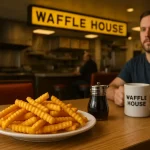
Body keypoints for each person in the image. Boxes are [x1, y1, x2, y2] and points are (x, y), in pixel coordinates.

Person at [106, 10, 150, 106]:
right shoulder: (133, 64)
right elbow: (110, 88)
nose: (147, 34)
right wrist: (116, 94)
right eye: (143, 29)